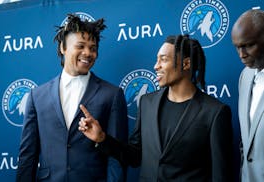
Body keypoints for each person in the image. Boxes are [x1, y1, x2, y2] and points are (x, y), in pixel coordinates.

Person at [78, 34, 234, 181]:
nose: (156, 66)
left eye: (163, 60)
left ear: (186, 64)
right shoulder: (147, 103)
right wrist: (102, 139)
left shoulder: (215, 112)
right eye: (156, 60)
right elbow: (135, 156)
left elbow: (221, 176)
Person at [16, 14, 128, 182]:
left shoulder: (112, 95)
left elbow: (117, 157)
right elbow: (27, 155)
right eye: (80, 46)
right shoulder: (37, 96)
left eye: (93, 48)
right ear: (63, 47)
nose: (88, 53)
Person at [231, 9, 264, 182]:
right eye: (237, 47)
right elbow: (247, 140)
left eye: (248, 45)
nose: (241, 55)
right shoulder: (245, 76)